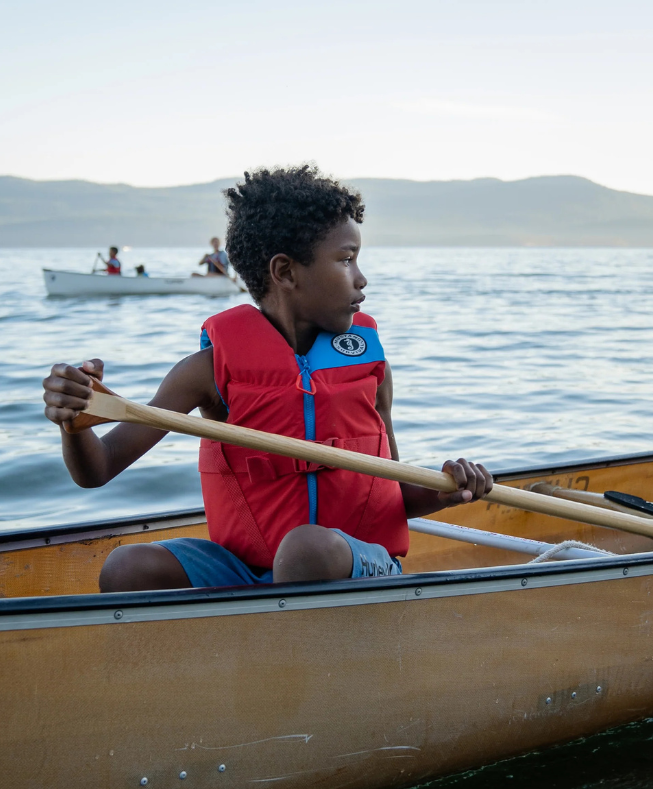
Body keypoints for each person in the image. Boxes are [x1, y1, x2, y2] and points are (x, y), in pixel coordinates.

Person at [42, 165, 493, 592]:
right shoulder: (205, 372)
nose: (361, 279)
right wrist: (74, 421)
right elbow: (96, 469)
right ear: (285, 272)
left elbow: (395, 494)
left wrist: (449, 489)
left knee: (307, 549)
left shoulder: (370, 369)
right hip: (243, 571)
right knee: (126, 568)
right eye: (346, 260)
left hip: (354, 566)